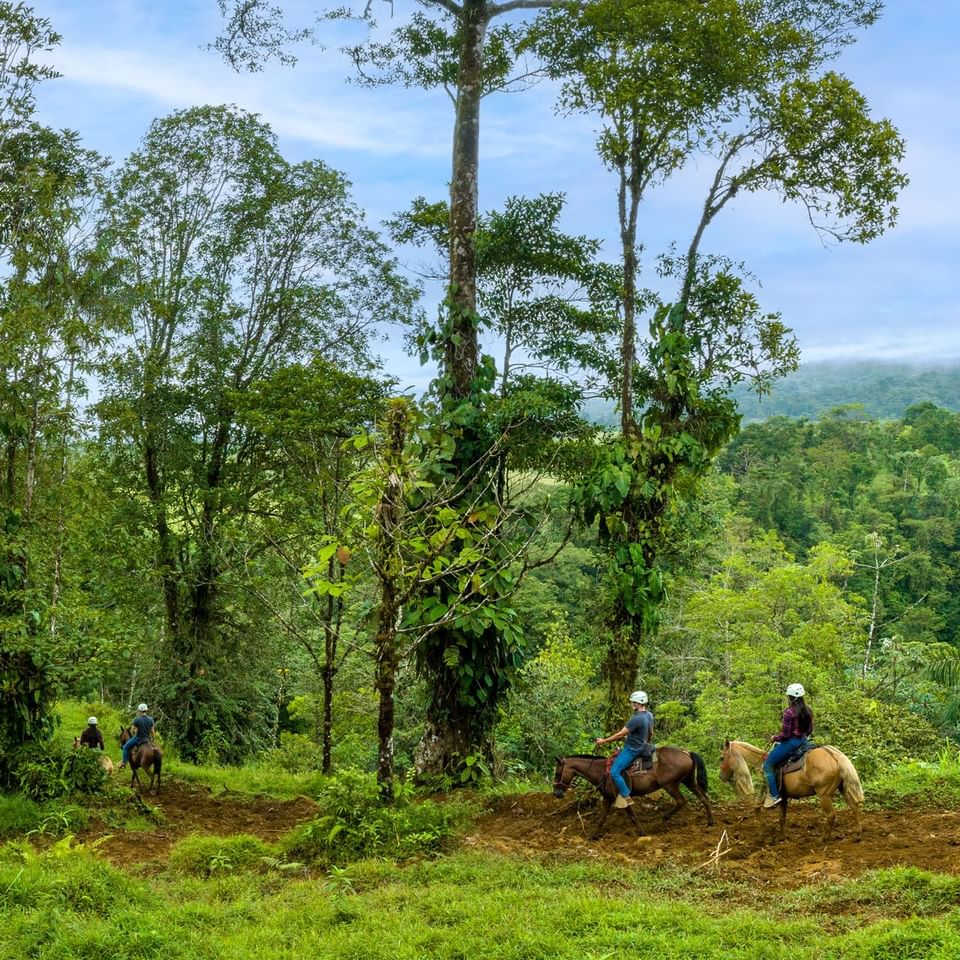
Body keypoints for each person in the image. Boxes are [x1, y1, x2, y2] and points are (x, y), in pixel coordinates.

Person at [595, 690, 655, 809]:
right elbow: (651, 732)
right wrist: (643, 741)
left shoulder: (636, 718)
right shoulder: (649, 715)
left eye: (633, 702)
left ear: (638, 703)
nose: (631, 704)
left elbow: (619, 735)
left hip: (633, 749)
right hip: (643, 745)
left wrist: (603, 741)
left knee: (614, 772)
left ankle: (626, 795)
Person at [763, 683, 814, 808]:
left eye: (788, 696)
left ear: (792, 697)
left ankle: (775, 796)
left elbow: (785, 736)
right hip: (803, 741)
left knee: (767, 765)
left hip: (790, 743)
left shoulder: (789, 713)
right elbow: (810, 730)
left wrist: (774, 738)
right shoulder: (808, 710)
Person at [119, 703, 155, 770]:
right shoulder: (151, 719)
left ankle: (124, 763)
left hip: (138, 738)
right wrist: (153, 739)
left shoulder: (137, 719)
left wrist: (133, 736)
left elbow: (132, 730)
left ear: (140, 711)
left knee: (125, 747)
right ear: (146, 710)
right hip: (147, 739)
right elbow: (152, 732)